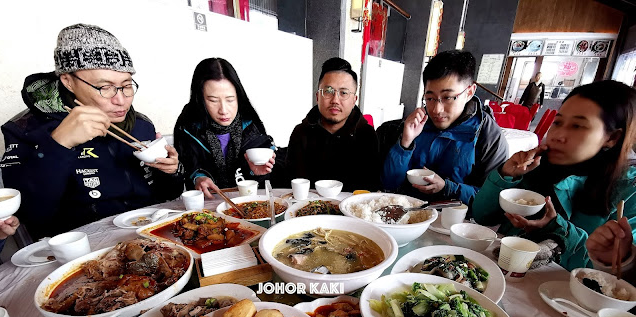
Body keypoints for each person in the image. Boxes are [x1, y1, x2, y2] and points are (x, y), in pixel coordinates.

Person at [0, 24, 183, 240]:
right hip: (79, 249)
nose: (120, 100)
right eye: (104, 87)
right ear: (68, 81)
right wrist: (59, 144)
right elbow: (32, 217)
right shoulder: (26, 129)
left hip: (150, 235)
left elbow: (168, 196)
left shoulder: (141, 124)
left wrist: (172, 172)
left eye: (126, 85)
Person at [472, 80, 636, 270]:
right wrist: (506, 175)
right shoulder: (540, 166)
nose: (558, 135)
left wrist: (557, 229)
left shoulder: (628, 191)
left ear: (612, 138)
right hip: (507, 276)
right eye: (558, 122)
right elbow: (483, 216)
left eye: (577, 126)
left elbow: (613, 275)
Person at [382, 50, 508, 205]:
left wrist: (448, 188)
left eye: (447, 97)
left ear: (469, 92)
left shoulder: (488, 135)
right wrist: (405, 143)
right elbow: (390, 185)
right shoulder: (416, 124)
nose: (436, 109)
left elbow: (490, 201)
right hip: (408, 216)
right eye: (430, 98)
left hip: (456, 224)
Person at [174, 58, 275, 198]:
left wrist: (256, 173)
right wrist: (198, 178)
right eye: (213, 100)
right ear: (200, 99)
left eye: (230, 99)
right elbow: (187, 166)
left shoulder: (251, 126)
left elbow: (267, 186)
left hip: (248, 205)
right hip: (207, 209)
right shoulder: (188, 127)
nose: (223, 110)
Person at [284, 57, 381, 192]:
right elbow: (292, 184)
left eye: (343, 93)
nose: (335, 100)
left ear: (354, 100)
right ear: (318, 96)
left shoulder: (366, 135)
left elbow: (369, 188)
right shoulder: (301, 133)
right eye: (328, 91)